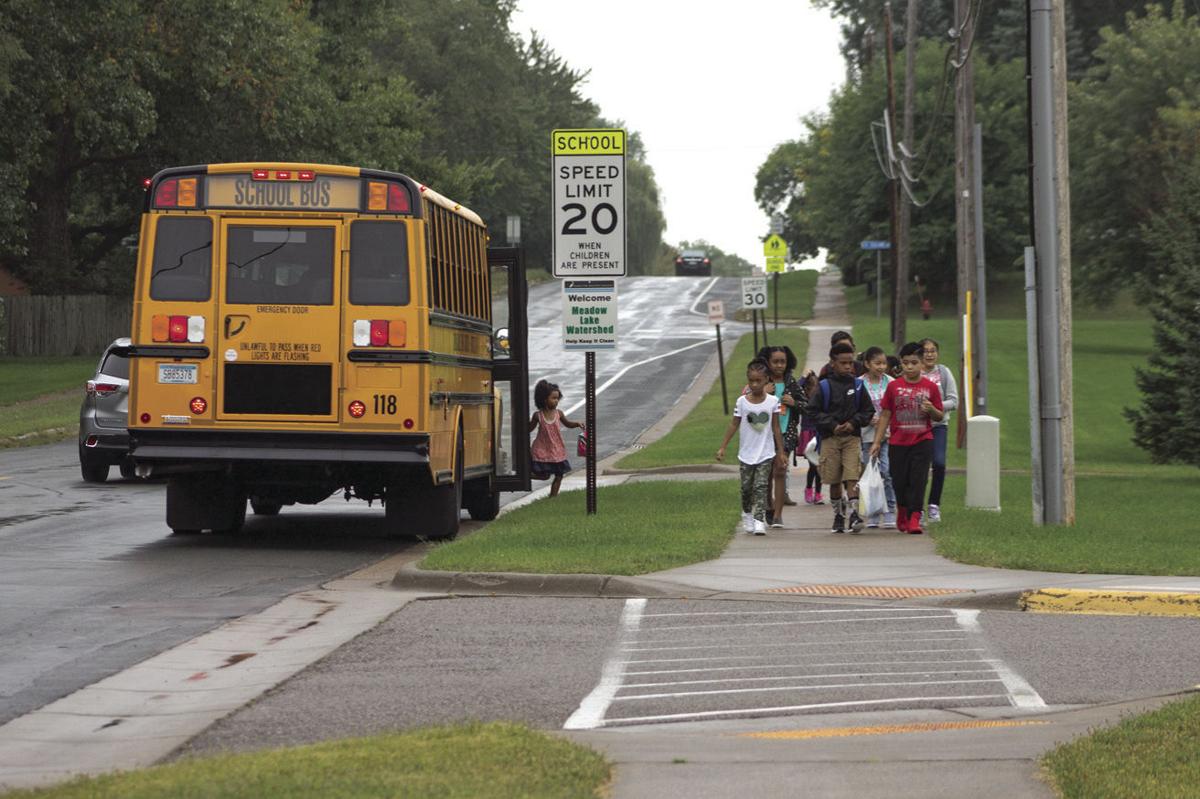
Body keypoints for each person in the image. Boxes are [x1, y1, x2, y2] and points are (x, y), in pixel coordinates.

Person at [869, 342, 944, 535]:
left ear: (921, 364)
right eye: (905, 363)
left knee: (918, 480)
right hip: (898, 442)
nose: (909, 367)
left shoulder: (931, 387)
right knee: (899, 481)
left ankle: (914, 517)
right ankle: (902, 510)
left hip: (922, 440)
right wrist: (877, 442)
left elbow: (939, 416)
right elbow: (885, 414)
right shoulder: (894, 387)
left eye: (914, 363)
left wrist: (931, 409)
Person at [717, 359, 787, 536]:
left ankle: (758, 520)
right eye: (751, 381)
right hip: (746, 454)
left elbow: (776, 428)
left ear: (766, 381)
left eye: (759, 381)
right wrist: (723, 447)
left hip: (766, 452)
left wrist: (781, 451)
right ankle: (747, 513)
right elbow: (734, 424)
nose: (755, 384)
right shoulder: (742, 402)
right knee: (746, 488)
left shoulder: (773, 402)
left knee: (761, 486)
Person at [814, 342, 875, 534]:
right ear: (833, 363)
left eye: (850, 363)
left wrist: (853, 423)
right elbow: (813, 412)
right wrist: (832, 425)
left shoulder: (857, 386)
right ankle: (838, 515)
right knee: (833, 479)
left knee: (852, 475)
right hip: (830, 438)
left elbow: (867, 410)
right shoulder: (823, 386)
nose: (848, 367)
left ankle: (854, 513)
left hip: (852, 438)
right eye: (843, 363)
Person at [757, 345, 808, 527]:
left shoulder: (791, 383)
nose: (780, 366)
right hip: (763, 434)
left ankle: (778, 515)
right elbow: (747, 402)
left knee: (779, 471)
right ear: (767, 363)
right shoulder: (761, 382)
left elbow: (806, 406)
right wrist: (763, 393)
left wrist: (794, 402)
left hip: (787, 434)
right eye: (775, 362)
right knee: (767, 473)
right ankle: (769, 506)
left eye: (783, 362)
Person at [918, 338, 959, 523]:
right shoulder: (914, 372)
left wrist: (935, 406)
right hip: (916, 426)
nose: (929, 354)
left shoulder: (943, 372)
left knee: (939, 463)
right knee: (918, 467)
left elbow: (954, 401)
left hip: (938, 426)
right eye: (926, 351)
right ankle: (916, 507)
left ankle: (934, 505)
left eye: (933, 350)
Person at [859, 346, 897, 528]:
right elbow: (856, 408)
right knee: (870, 474)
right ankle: (873, 512)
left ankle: (890, 509)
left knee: (887, 472)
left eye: (884, 363)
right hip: (867, 435)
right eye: (877, 363)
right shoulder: (859, 383)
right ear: (867, 364)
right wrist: (869, 419)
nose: (882, 367)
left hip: (888, 435)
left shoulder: (890, 382)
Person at [529, 379, 582, 498]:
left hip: (556, 449)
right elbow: (529, 428)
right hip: (542, 449)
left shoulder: (559, 413)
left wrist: (577, 424)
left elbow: (568, 424)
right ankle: (527, 476)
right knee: (544, 476)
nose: (556, 401)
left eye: (558, 398)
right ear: (544, 399)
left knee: (559, 475)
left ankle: (553, 497)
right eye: (553, 398)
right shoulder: (538, 415)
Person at [798, 370, 824, 505]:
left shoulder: (821, 398)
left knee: (819, 465)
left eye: (817, 385)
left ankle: (818, 493)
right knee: (813, 465)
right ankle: (809, 489)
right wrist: (803, 378)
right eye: (812, 386)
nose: (815, 388)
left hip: (819, 433)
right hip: (808, 433)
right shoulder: (803, 399)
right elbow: (795, 388)